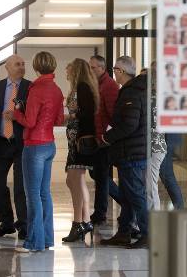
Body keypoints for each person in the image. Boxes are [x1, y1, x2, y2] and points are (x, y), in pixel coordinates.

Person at [6, 51, 64, 252]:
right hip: (49, 145)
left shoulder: (36, 89)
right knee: (44, 194)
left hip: (34, 146)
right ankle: (46, 239)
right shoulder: (56, 89)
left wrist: (15, 114)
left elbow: (29, 121)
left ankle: (33, 242)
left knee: (32, 195)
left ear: (37, 67)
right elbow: (59, 120)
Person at [99, 56, 148, 249]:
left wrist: (107, 138)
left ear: (120, 71)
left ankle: (148, 233)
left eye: (115, 70)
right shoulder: (134, 90)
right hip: (130, 151)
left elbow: (129, 124)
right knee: (128, 195)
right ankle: (124, 232)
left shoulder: (131, 92)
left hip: (131, 152)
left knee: (135, 195)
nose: (114, 74)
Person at [62, 58, 99, 242]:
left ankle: (78, 222)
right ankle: (85, 220)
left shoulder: (83, 87)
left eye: (68, 69)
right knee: (76, 181)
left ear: (75, 70)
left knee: (74, 180)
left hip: (79, 142)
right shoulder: (82, 87)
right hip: (75, 141)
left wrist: (72, 115)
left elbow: (87, 113)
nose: (66, 72)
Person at [0, 54, 31, 240]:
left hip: (21, 143)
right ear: (7, 67)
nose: (21, 66)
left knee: (20, 186)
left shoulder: (29, 87)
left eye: (23, 64)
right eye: (18, 64)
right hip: (1, 142)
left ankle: (23, 224)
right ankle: (6, 222)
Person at [89, 55, 121, 226]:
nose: (91, 70)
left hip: (104, 140)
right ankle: (100, 211)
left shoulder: (109, 86)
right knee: (97, 174)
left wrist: (106, 137)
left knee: (100, 175)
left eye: (93, 67)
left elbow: (114, 115)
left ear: (102, 68)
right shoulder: (99, 84)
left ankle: (101, 212)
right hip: (98, 138)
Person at [147, 61, 167, 210]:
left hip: (153, 146)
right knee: (149, 184)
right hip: (158, 145)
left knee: (150, 186)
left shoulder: (152, 99)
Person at [159, 133, 184, 209]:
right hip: (167, 140)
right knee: (168, 176)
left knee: (167, 176)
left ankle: (180, 209)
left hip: (165, 141)